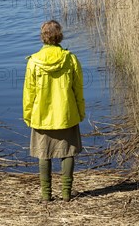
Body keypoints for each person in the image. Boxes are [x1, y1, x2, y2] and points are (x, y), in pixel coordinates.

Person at [23, 20, 85, 202]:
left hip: (41, 115)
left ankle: (46, 195)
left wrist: (28, 115)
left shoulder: (33, 61)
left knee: (44, 152)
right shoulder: (70, 59)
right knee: (67, 152)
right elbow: (78, 89)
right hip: (66, 114)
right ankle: (66, 194)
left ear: (43, 36)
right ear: (60, 36)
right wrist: (80, 112)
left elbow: (29, 93)